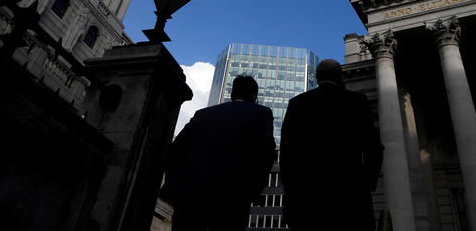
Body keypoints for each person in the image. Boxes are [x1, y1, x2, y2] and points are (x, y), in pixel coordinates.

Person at [160, 75, 275, 231]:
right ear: (254, 96)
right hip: (231, 199)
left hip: (190, 196)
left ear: (232, 94)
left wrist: (175, 182)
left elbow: (174, 151)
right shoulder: (262, 113)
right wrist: (253, 191)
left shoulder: (203, 114)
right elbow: (265, 155)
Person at [280, 59, 384, 231]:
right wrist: (366, 184)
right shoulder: (357, 101)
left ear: (317, 77)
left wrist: (292, 194)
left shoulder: (297, 103)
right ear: (340, 77)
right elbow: (374, 148)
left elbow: (287, 155)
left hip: (308, 199)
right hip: (351, 198)